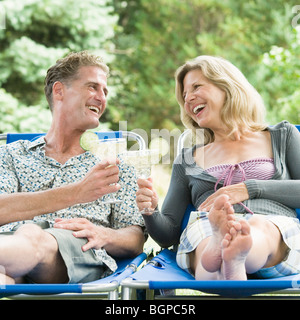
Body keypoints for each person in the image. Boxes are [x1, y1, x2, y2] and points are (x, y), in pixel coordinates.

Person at [136, 55, 300, 280]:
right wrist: (150, 211)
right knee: (205, 238)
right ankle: (227, 255)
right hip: (206, 227)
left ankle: (232, 252)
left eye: (196, 87)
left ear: (227, 86)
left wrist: (248, 188)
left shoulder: (283, 136)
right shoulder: (187, 159)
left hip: (273, 226)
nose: (188, 99)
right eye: (184, 96)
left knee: (260, 228)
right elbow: (169, 234)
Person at [0, 51, 146, 285]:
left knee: (32, 235)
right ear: (59, 91)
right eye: (92, 87)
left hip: (76, 251)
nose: (101, 97)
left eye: (105, 91)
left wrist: (103, 234)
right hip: (9, 252)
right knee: (4, 278)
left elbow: (135, 239)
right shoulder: (11, 154)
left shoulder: (114, 166)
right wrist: (75, 193)